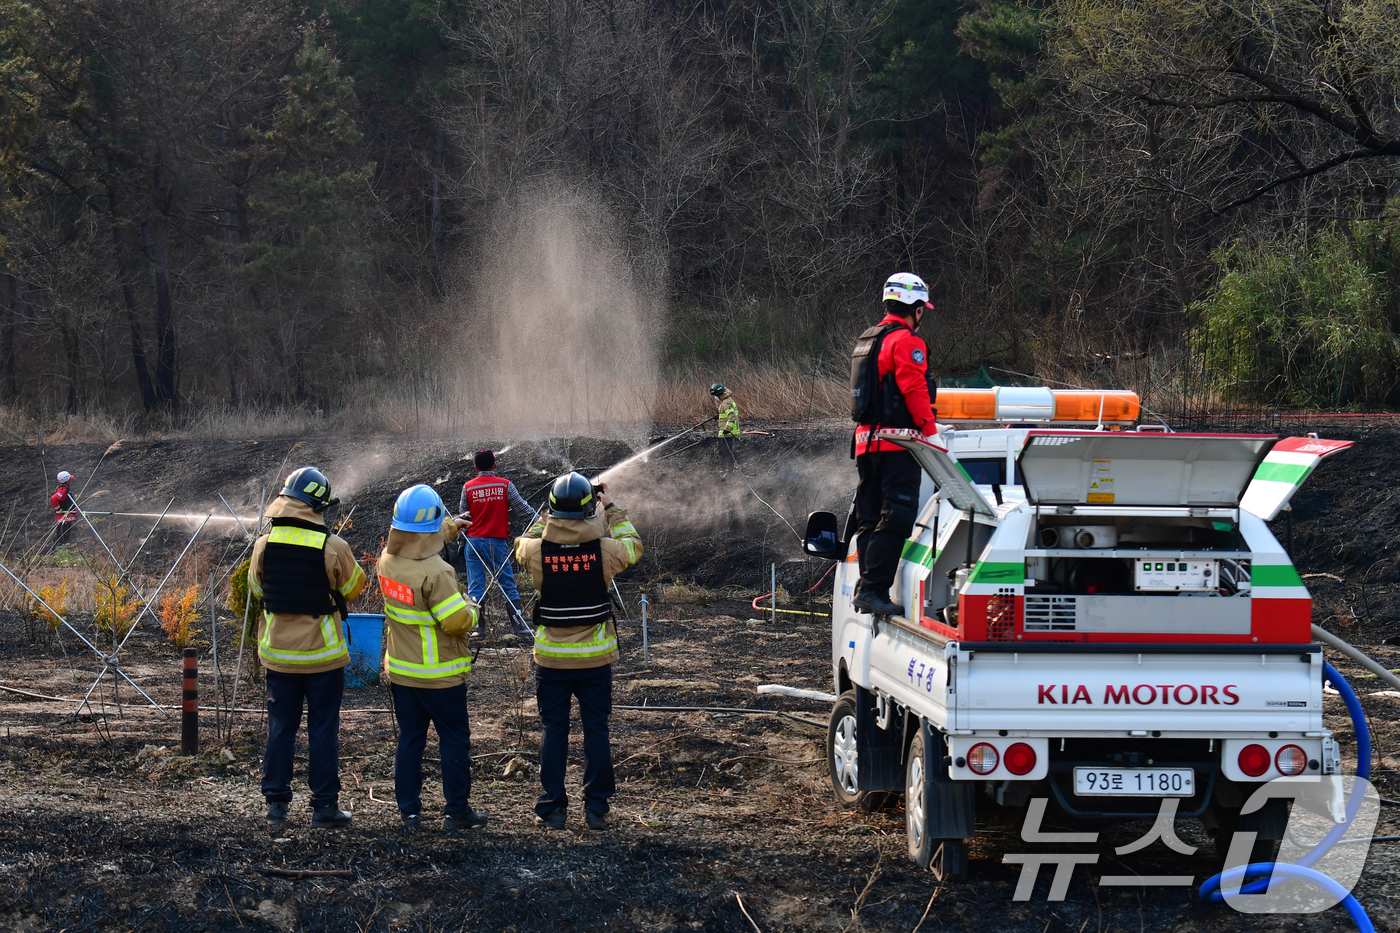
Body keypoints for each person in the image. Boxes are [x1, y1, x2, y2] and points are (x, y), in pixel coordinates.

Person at [514, 472, 642, 831]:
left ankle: (553, 808)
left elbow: (523, 541)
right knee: (596, 729)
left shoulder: (536, 551)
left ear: (553, 510)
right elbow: (633, 544)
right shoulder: (606, 551)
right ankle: (596, 809)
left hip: (551, 660)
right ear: (590, 509)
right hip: (595, 661)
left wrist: (547, 520)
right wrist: (611, 508)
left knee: (554, 729)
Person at [249, 466, 366, 829]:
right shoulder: (333, 546)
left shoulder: (264, 544)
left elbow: (257, 589)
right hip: (322, 658)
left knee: (281, 727)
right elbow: (354, 589)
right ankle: (324, 808)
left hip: (278, 657)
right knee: (322, 729)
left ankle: (276, 807)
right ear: (317, 505)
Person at [379, 484, 489, 831]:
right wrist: (472, 608)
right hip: (440, 676)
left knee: (410, 740)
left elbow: (417, 539)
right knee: (454, 740)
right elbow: (455, 622)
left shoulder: (388, 560)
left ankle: (409, 812)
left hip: (402, 674)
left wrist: (451, 526)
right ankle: (457, 813)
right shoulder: (438, 573)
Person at [849, 272, 937, 617]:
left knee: (869, 516)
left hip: (865, 442)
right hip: (897, 443)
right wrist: (930, 432)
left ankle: (866, 586)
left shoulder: (868, 339)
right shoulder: (906, 342)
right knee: (897, 515)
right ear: (916, 308)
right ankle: (873, 589)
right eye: (922, 308)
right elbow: (914, 389)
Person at [458, 450, 534, 641]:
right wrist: (544, 521)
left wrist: (461, 541)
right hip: (496, 542)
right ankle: (519, 628)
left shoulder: (467, 488)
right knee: (507, 584)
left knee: (476, 586)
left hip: (473, 542)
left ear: (476, 468)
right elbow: (524, 511)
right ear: (495, 465)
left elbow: (462, 518)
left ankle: (478, 629)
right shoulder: (505, 486)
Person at [710, 383, 739, 473]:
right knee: (721, 451)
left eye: (716, 395)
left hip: (727, 433)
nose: (715, 398)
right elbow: (726, 415)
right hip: (723, 432)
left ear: (719, 394)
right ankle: (723, 469)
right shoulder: (727, 400)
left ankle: (729, 471)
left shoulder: (726, 403)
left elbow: (732, 416)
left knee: (726, 452)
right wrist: (719, 416)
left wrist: (727, 429)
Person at [50, 471, 77, 544]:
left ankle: (61, 548)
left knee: (66, 535)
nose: (70, 481)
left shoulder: (66, 488)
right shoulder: (62, 490)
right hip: (64, 517)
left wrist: (76, 509)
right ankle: (57, 550)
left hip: (67, 516)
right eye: (69, 480)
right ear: (66, 480)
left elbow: (69, 502)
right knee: (62, 536)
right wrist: (58, 509)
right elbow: (53, 499)